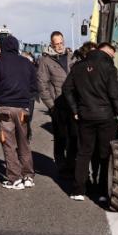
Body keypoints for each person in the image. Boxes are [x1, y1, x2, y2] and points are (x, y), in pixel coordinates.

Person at [62, 42, 118, 202]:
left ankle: (78, 190)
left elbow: (66, 89)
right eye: (111, 55)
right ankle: (103, 191)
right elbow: (115, 95)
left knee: (84, 152)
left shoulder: (78, 67)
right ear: (105, 52)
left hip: (85, 115)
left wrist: (75, 110)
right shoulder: (109, 68)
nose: (112, 58)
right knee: (104, 154)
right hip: (105, 116)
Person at [0, 35, 38, 190]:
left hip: (5, 108)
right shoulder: (26, 63)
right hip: (23, 108)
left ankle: (14, 178)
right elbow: (34, 87)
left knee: (8, 143)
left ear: (3, 47)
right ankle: (28, 176)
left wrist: (1, 94)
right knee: (24, 143)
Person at [38, 31, 78, 175]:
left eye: (61, 43)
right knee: (60, 136)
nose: (60, 46)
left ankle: (72, 164)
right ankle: (61, 165)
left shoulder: (73, 57)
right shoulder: (45, 61)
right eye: (57, 44)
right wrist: (51, 106)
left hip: (73, 104)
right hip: (58, 105)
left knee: (74, 136)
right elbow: (42, 84)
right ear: (51, 44)